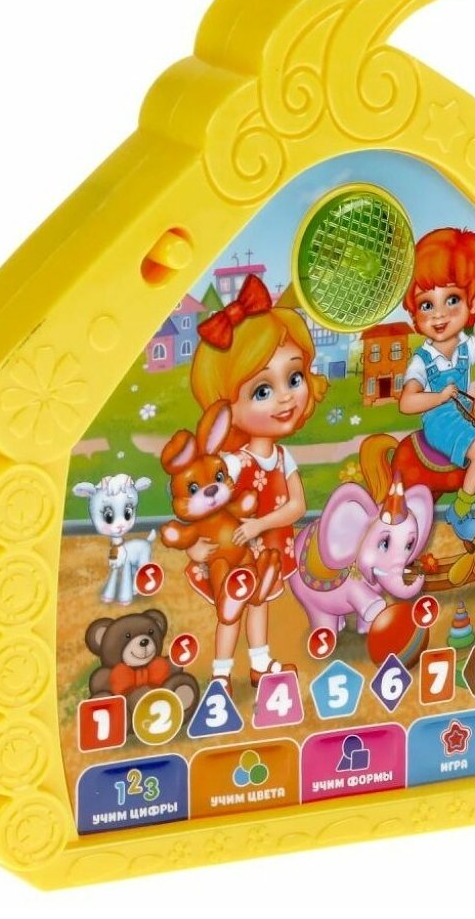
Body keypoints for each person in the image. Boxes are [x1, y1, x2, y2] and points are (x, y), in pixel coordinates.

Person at [186, 274, 328, 689]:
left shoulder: (283, 457)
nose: (285, 397)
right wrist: (197, 544)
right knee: (231, 610)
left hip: (269, 546)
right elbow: (207, 507)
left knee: (261, 603)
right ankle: (221, 672)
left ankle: (260, 664)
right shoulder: (232, 463)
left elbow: (298, 506)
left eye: (294, 379)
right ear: (226, 407)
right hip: (235, 554)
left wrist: (260, 526)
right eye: (262, 390)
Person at [400, 227, 475, 539]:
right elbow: (407, 402)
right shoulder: (422, 360)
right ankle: (460, 512)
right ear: (414, 310)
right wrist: (439, 397)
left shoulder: (465, 348)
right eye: (427, 304)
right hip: (441, 421)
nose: (439, 315)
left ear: (474, 303)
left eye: (451, 299)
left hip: (464, 413)